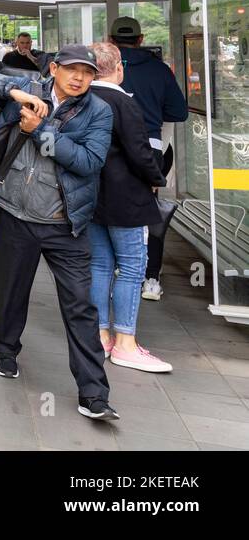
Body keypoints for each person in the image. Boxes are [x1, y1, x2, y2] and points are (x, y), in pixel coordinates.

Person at [0, 45, 119, 422]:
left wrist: (40, 130)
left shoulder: (99, 111)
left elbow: (87, 162)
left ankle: (93, 393)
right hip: (15, 216)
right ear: (54, 68)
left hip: (67, 225)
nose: (79, 78)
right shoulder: (28, 85)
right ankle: (6, 351)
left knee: (80, 306)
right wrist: (14, 93)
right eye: (71, 70)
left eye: (87, 72)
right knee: (11, 292)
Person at [87, 41, 173, 373]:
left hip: (93, 198)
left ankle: (100, 334)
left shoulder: (81, 100)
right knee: (134, 268)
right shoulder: (123, 103)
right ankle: (125, 343)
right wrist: (157, 177)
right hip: (127, 201)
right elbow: (140, 153)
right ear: (119, 68)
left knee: (100, 266)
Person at [108, 16, 188, 301]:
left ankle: (114, 267)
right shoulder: (159, 70)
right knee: (148, 212)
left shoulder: (105, 70)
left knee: (104, 210)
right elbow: (179, 112)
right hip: (150, 149)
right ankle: (150, 278)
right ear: (141, 39)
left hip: (109, 148)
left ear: (111, 40)